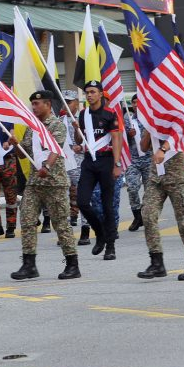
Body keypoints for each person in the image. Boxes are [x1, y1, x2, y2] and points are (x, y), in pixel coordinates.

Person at [7, 91, 81, 280]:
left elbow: (56, 148)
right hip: (34, 183)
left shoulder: (56, 125)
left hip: (54, 183)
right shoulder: (32, 127)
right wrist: (15, 144)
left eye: (37, 103)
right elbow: (23, 154)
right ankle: (29, 264)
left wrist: (47, 166)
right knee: (27, 220)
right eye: (32, 103)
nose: (34, 107)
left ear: (48, 104)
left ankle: (72, 264)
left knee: (61, 224)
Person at [136, 130, 184, 281]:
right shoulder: (153, 120)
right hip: (157, 177)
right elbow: (143, 147)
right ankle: (156, 262)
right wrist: (149, 130)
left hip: (177, 177)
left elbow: (178, 134)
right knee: (147, 214)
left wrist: (163, 149)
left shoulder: (176, 118)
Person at [74, 80, 123, 259]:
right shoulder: (83, 114)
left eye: (93, 92)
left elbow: (116, 139)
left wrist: (117, 164)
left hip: (106, 161)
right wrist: (76, 130)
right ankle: (100, 232)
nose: (89, 95)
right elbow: (79, 141)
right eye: (87, 92)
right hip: (89, 162)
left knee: (107, 205)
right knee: (82, 201)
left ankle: (110, 246)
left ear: (101, 94)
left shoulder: (111, 113)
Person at [62, 91, 90, 245]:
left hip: (80, 164)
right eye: (64, 101)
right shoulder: (58, 121)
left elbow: (92, 140)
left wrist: (82, 146)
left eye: (69, 101)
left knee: (83, 198)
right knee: (63, 200)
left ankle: (85, 230)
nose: (66, 104)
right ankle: (65, 232)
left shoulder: (84, 119)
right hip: (64, 164)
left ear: (76, 103)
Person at [123, 94, 152, 232]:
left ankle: (147, 216)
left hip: (148, 158)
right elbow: (121, 138)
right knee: (132, 188)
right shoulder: (127, 118)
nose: (135, 105)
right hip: (133, 159)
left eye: (138, 102)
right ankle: (137, 215)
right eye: (133, 102)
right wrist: (129, 135)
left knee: (149, 191)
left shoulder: (150, 118)